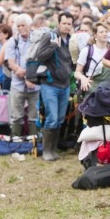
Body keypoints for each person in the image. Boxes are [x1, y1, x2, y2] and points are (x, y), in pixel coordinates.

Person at [38, 12, 74, 161]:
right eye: (64, 23)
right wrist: (53, 47)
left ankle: (53, 150)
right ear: (58, 23)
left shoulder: (71, 40)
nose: (66, 26)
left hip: (65, 85)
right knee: (51, 118)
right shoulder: (50, 36)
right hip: (50, 84)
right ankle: (46, 151)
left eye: (69, 24)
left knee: (59, 119)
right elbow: (39, 56)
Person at [4, 13, 40, 138]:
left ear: (29, 25)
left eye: (23, 25)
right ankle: (15, 140)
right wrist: (24, 74)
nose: (20, 28)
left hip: (34, 84)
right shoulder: (12, 41)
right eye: (18, 26)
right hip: (17, 85)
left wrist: (28, 75)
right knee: (16, 116)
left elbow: (40, 61)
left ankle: (33, 142)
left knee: (33, 116)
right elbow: (11, 63)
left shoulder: (37, 40)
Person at [74, 22, 110, 97]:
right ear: (95, 34)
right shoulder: (87, 51)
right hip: (92, 92)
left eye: (106, 31)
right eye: (101, 32)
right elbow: (77, 72)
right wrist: (83, 78)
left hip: (109, 92)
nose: (104, 34)